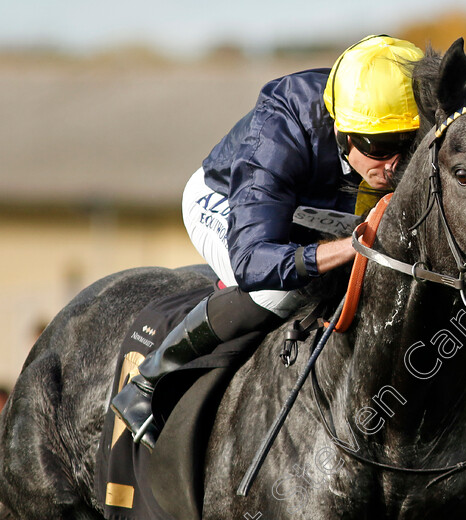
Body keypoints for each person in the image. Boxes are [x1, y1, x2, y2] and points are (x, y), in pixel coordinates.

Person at [111, 35, 424, 449]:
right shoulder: (282, 127)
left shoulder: (393, 120)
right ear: (343, 129)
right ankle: (147, 381)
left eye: (409, 145)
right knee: (281, 292)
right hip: (226, 202)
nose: (395, 164)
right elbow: (253, 261)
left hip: (313, 213)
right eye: (380, 147)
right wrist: (348, 248)